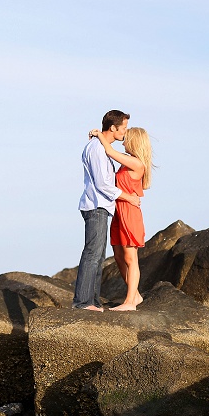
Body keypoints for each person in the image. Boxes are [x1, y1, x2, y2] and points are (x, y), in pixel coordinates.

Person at [74, 110, 140, 312]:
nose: (125, 133)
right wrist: (128, 197)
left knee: (98, 256)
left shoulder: (101, 147)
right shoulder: (97, 149)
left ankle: (92, 301)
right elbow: (103, 184)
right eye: (124, 128)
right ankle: (83, 302)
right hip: (96, 206)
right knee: (93, 254)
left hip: (101, 207)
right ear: (113, 128)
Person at [90, 126, 154, 311]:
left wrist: (99, 135)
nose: (123, 140)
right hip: (119, 211)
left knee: (130, 257)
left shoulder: (137, 163)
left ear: (134, 141)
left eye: (127, 138)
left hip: (130, 213)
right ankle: (135, 295)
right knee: (118, 256)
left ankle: (129, 303)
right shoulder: (127, 164)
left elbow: (109, 151)